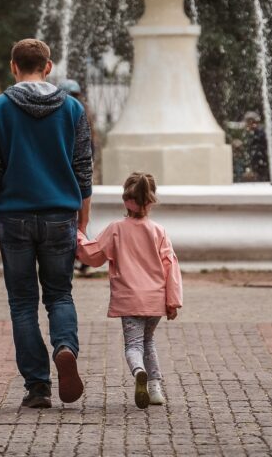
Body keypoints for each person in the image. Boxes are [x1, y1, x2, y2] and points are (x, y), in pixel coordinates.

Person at [0, 38, 93, 409]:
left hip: (14, 217)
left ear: (13, 66)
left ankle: (38, 386)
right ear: (49, 66)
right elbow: (83, 170)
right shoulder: (73, 108)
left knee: (22, 302)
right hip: (61, 214)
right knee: (60, 294)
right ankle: (65, 346)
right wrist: (83, 221)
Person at [76, 172, 182, 409]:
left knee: (133, 345)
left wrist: (78, 235)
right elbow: (170, 266)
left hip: (129, 299)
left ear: (126, 200)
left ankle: (138, 371)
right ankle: (155, 389)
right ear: (151, 200)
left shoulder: (116, 229)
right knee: (149, 342)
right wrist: (172, 302)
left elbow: (92, 256)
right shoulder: (159, 231)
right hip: (155, 300)